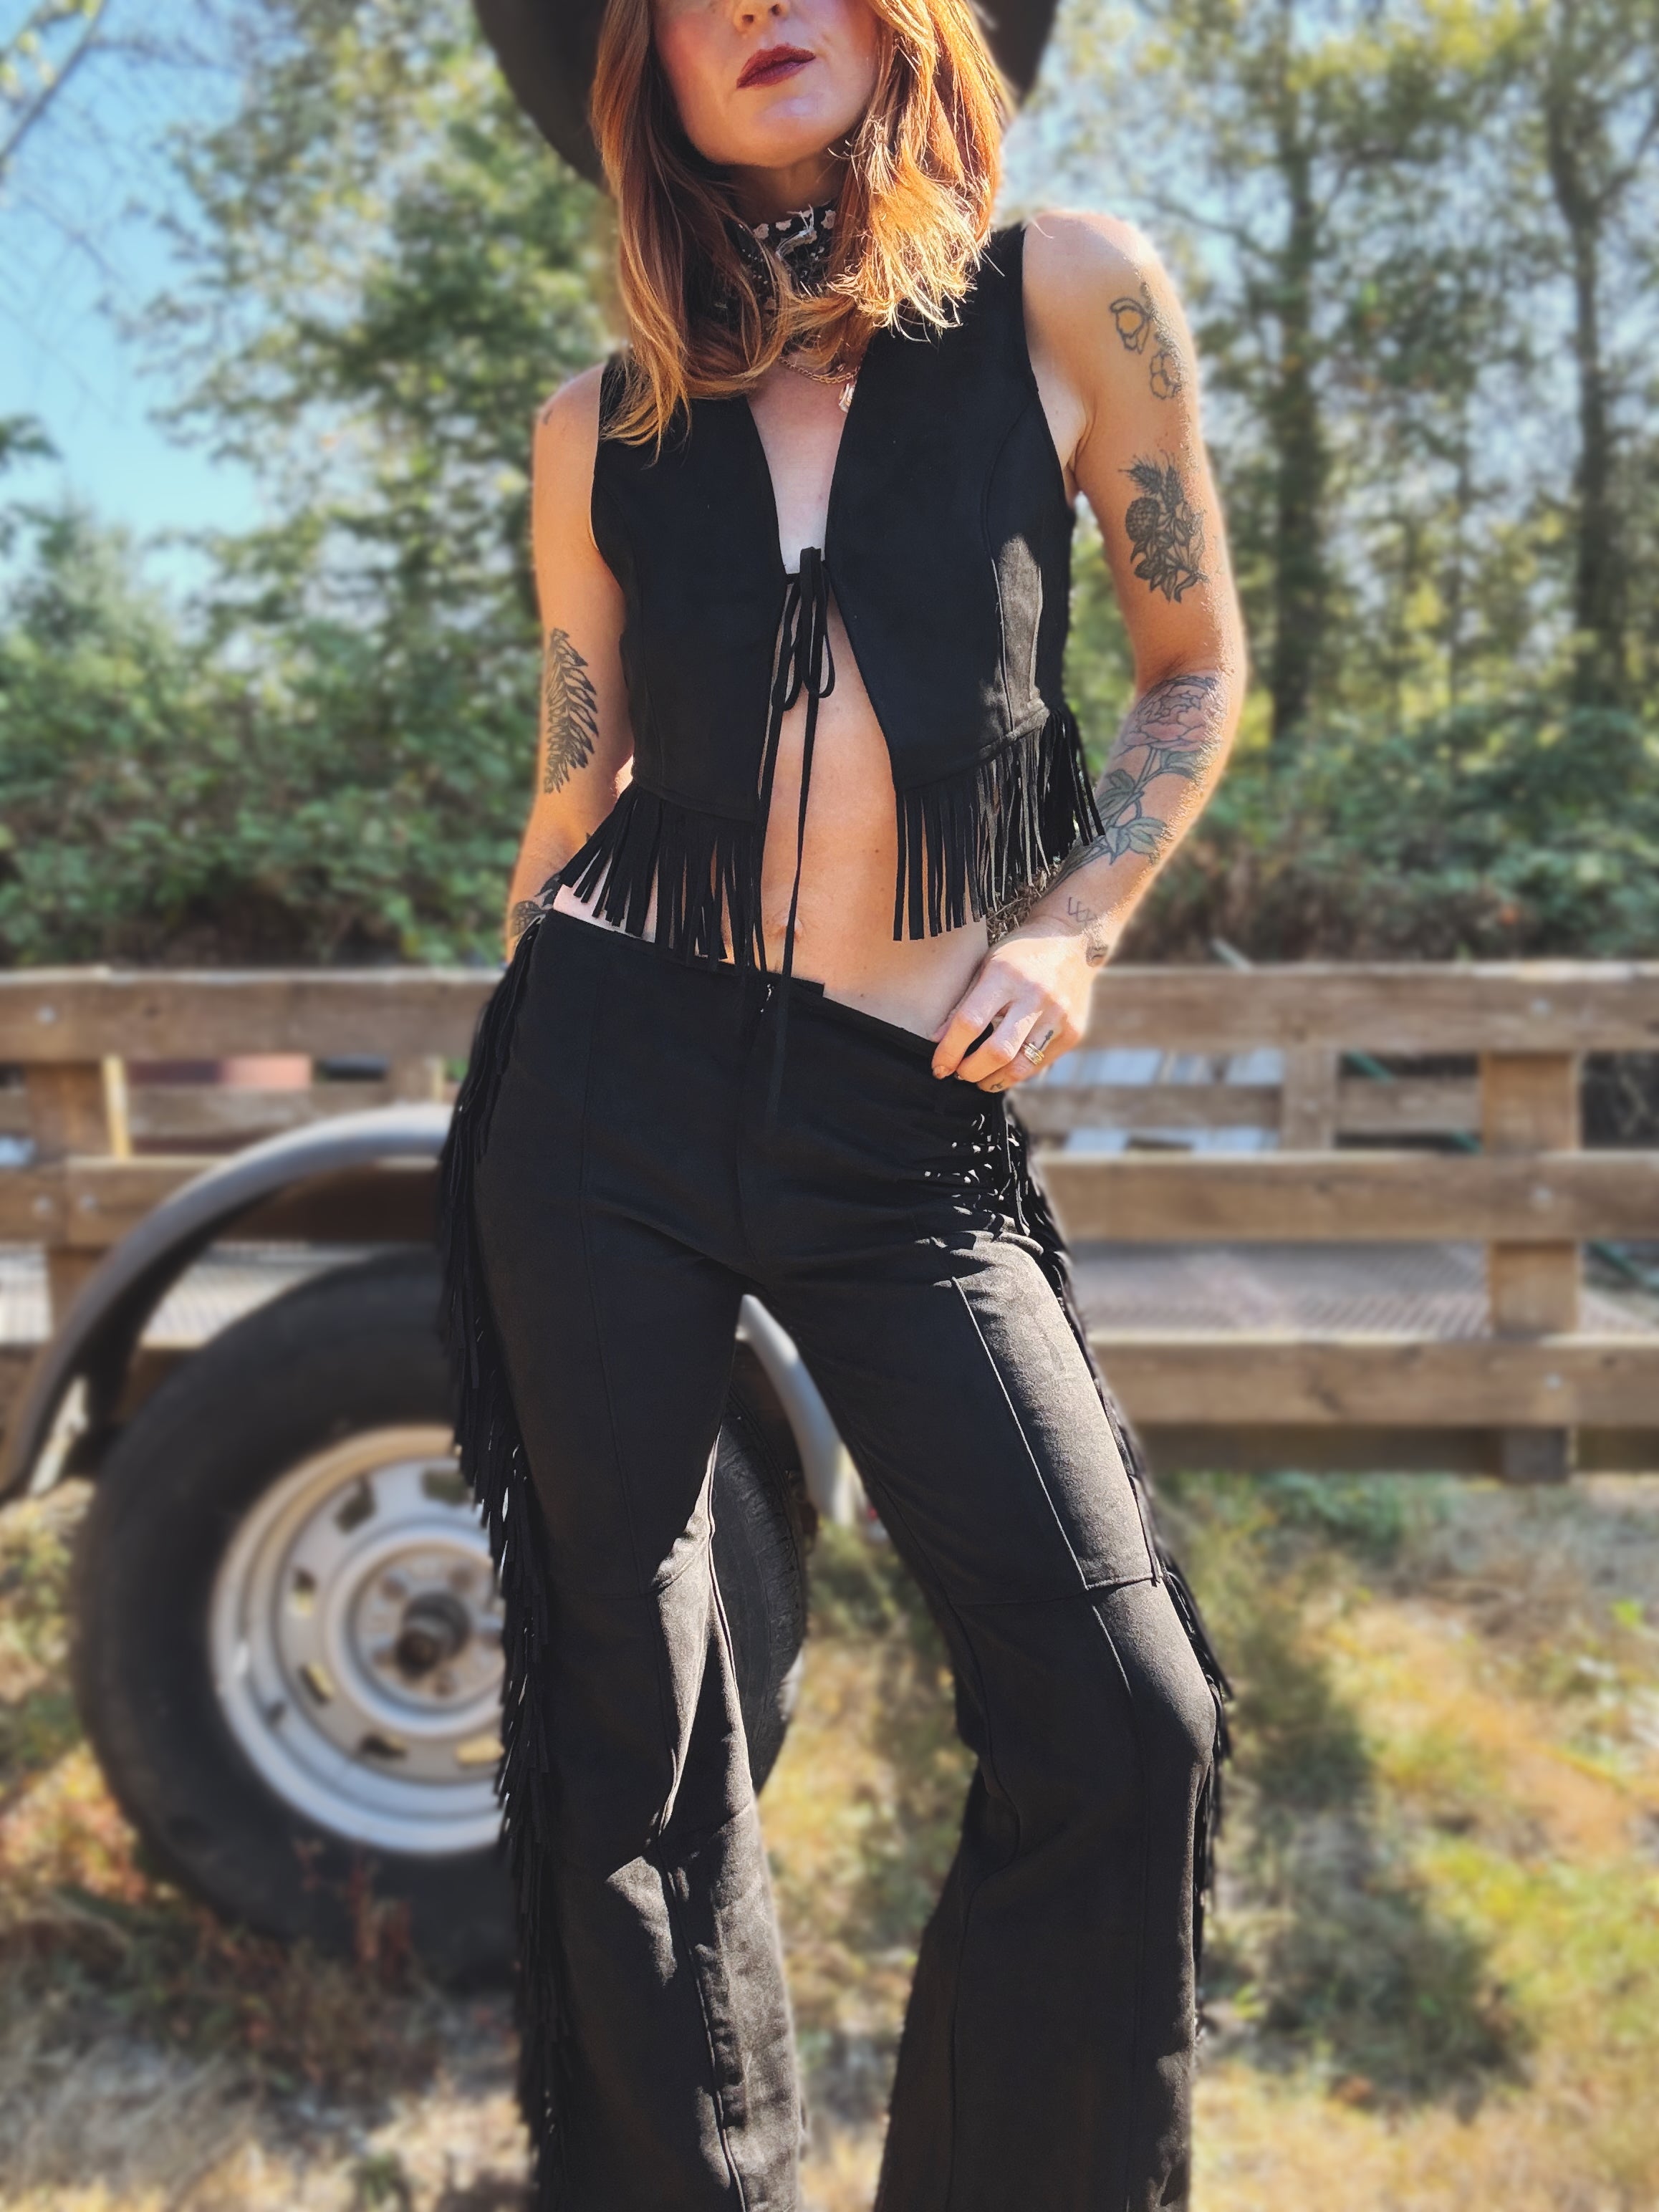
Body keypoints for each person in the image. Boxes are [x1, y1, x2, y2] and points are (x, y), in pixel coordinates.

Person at [441, 0, 1247, 2203]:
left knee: (1121, 1712)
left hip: (906, 1120)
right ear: (644, 75)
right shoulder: (596, 423)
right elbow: (575, 780)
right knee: (622, 1703)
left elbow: (1191, 673)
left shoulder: (1066, 293)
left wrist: (1072, 925)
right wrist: (512, 1026)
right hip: (604, 1086)